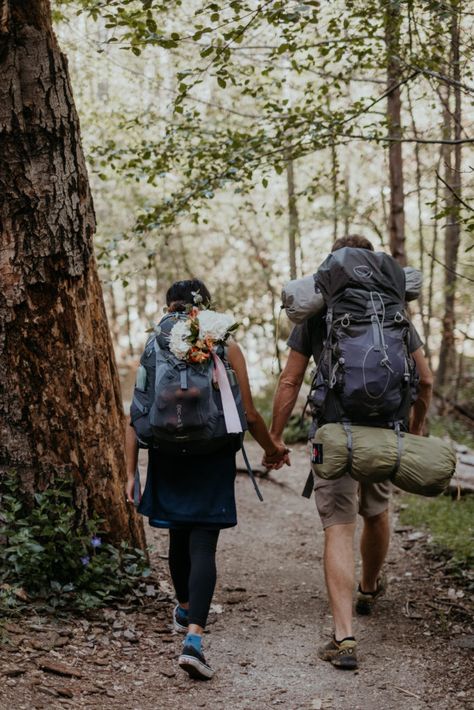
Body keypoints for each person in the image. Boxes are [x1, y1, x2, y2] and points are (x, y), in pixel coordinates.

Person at [265, 235, 433, 670]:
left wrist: (276, 440)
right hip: (385, 429)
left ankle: (344, 639)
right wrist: (414, 431)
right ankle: (370, 589)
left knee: (337, 527)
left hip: (335, 431)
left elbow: (290, 381)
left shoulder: (320, 308)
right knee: (376, 512)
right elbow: (426, 379)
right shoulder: (390, 307)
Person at [125, 279, 288, 681]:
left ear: (170, 306)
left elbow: (136, 414)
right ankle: (194, 637)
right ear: (206, 306)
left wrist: (130, 473)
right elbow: (247, 415)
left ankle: (184, 608)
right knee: (203, 544)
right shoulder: (224, 345)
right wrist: (272, 449)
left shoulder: (154, 346)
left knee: (178, 536)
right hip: (212, 456)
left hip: (166, 454)